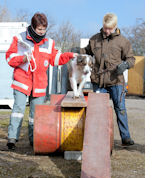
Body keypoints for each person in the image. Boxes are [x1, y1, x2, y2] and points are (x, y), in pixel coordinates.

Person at [6, 12, 78, 150]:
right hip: (22, 82)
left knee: (36, 114)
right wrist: (23, 59)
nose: (42, 32)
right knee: (18, 109)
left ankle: (34, 140)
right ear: (33, 27)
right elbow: (9, 58)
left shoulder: (49, 42)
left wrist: (69, 55)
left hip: (39, 84)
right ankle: (12, 138)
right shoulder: (19, 39)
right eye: (39, 29)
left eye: (44, 29)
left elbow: (55, 60)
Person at [80, 13, 135, 146]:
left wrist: (125, 65)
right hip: (99, 81)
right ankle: (99, 136)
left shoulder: (123, 42)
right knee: (98, 110)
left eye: (109, 29)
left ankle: (126, 137)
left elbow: (131, 59)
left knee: (120, 108)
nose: (106, 31)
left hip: (116, 81)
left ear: (115, 26)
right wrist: (78, 51)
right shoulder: (94, 40)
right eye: (105, 28)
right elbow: (86, 51)